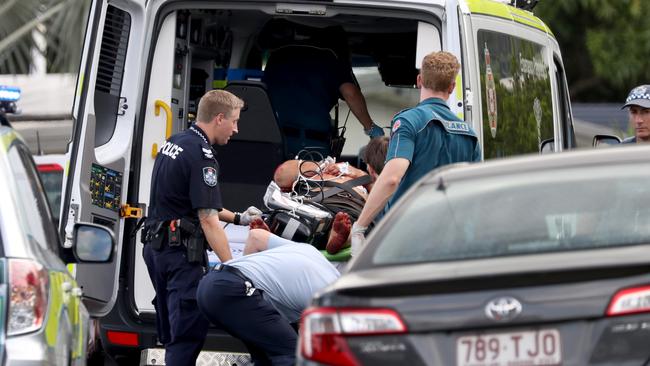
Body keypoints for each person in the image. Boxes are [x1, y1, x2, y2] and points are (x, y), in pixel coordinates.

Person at [142, 90, 244, 366]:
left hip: (157, 248)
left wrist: (238, 219)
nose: (236, 129)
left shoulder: (175, 142)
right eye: (233, 121)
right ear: (219, 118)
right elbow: (208, 219)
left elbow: (192, 201)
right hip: (180, 256)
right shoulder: (203, 156)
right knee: (186, 336)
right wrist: (234, 269)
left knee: (172, 333)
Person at [351, 51, 481, 255]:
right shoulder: (470, 135)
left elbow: (392, 178)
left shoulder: (409, 121)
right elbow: (475, 194)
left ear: (419, 80)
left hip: (406, 238)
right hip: (451, 241)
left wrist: (360, 227)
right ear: (452, 87)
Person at [195, 213, 348, 365]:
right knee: (292, 355)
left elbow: (255, 236)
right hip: (235, 291)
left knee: (267, 355)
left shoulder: (311, 253)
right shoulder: (329, 300)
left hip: (211, 284)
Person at [261, 19, 384, 158]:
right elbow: (350, 92)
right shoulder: (332, 58)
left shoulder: (277, 55)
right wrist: (371, 128)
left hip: (271, 139)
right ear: (341, 44)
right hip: (309, 144)